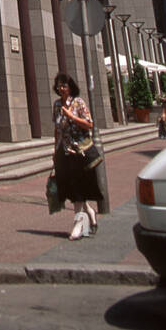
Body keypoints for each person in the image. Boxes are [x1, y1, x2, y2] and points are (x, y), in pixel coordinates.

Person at [52, 72, 101, 240]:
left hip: (80, 151)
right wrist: (54, 150)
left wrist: (72, 117)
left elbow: (89, 124)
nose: (61, 88)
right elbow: (57, 129)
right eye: (59, 85)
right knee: (73, 189)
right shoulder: (57, 105)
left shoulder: (78, 103)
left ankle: (78, 224)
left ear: (70, 87)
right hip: (65, 151)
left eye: (64, 85)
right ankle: (90, 212)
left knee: (77, 188)